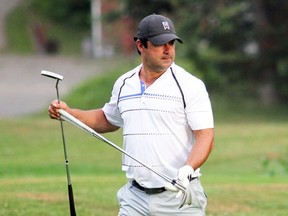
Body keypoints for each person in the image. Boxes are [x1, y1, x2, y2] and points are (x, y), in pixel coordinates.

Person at [48, 14, 214, 216]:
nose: (168, 50)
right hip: (135, 197)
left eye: (171, 43)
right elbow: (106, 119)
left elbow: (205, 135)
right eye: (160, 44)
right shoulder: (125, 83)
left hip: (180, 196)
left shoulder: (189, 85)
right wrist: (69, 113)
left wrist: (188, 169)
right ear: (140, 45)